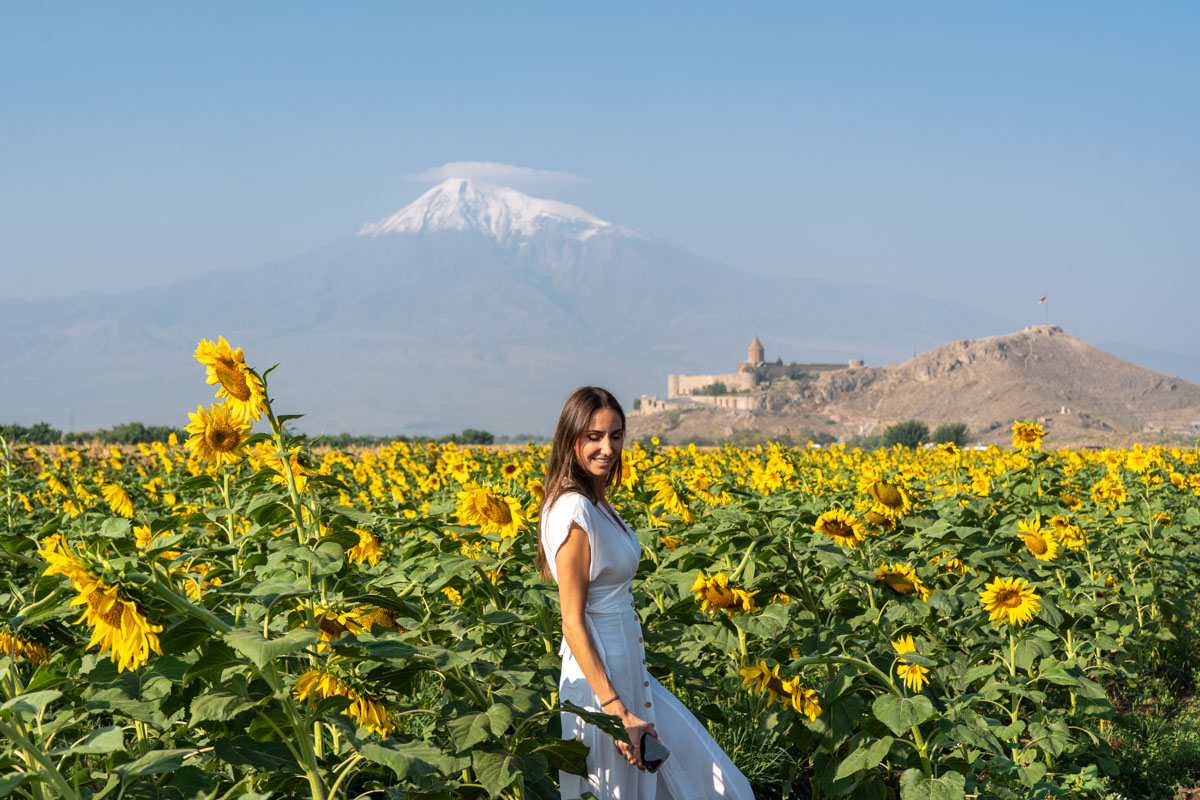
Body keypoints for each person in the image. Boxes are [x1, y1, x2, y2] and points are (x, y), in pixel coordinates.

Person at [537, 386, 755, 800]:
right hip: (601, 682)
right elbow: (572, 620)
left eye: (615, 435)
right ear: (571, 439)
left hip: (630, 672)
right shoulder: (573, 510)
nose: (607, 448)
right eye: (593, 437)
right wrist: (615, 712)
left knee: (706, 783)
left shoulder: (597, 503)